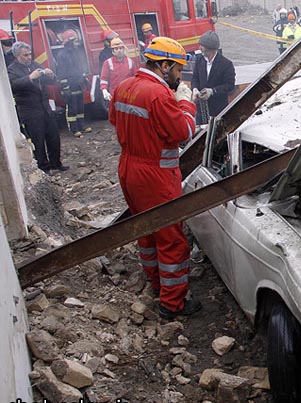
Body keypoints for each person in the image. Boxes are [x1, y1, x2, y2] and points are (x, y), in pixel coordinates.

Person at [108, 37, 200, 320]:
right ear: (164, 65)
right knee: (172, 239)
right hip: (156, 176)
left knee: (146, 231)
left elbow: (114, 119)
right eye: (177, 70)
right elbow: (183, 132)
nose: (179, 76)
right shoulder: (158, 95)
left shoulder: (124, 86)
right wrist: (185, 103)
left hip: (129, 169)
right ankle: (172, 304)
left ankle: (157, 284)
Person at [8, 42, 67, 173]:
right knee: (38, 140)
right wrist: (30, 78)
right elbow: (13, 86)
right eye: (25, 55)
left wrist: (51, 76)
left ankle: (56, 163)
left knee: (53, 136)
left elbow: (50, 82)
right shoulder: (12, 70)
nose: (29, 57)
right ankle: (43, 168)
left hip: (45, 106)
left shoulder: (35, 64)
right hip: (30, 110)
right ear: (17, 56)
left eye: (30, 54)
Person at [191, 31, 236, 124]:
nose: (199, 48)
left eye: (202, 45)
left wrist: (212, 91)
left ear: (209, 48)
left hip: (218, 111)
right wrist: (194, 89)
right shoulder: (199, 60)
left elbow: (230, 86)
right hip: (201, 111)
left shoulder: (226, 64)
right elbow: (195, 78)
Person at [56, 29, 91, 137]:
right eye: (74, 41)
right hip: (70, 86)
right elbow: (61, 73)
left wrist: (84, 79)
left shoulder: (75, 53)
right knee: (72, 109)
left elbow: (79, 68)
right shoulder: (62, 55)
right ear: (69, 42)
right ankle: (74, 129)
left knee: (80, 107)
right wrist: (65, 87)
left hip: (78, 83)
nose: (76, 43)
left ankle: (81, 126)